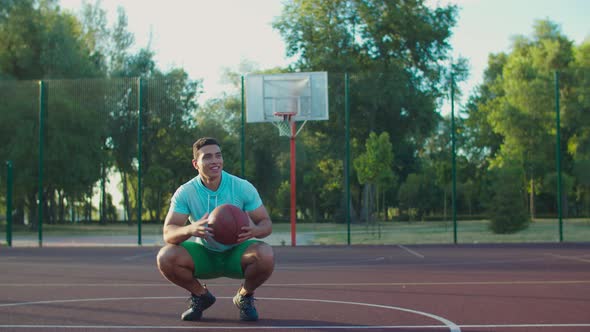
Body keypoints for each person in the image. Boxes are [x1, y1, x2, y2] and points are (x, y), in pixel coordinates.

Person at [156, 137, 275, 322]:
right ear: (196, 163)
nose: (215, 161)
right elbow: (168, 233)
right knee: (165, 256)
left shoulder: (242, 187)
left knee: (266, 254)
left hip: (237, 253)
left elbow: (266, 224)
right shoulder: (186, 192)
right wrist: (190, 229)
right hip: (205, 254)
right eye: (208, 157)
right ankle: (201, 296)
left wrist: (254, 231)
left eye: (218, 156)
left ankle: (244, 296)